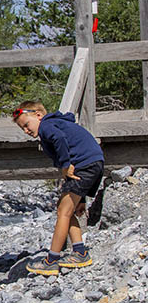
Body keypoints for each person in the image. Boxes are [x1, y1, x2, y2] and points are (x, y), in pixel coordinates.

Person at [12, 101, 103, 276]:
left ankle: (51, 261)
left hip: (84, 164)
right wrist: (82, 199)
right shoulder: (57, 123)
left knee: (63, 212)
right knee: (65, 208)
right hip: (92, 163)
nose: (26, 131)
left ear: (38, 114)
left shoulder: (47, 125)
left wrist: (65, 164)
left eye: (26, 125)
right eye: (22, 128)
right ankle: (80, 252)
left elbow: (59, 139)